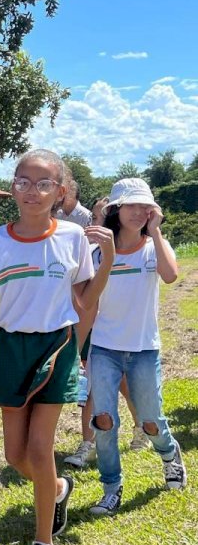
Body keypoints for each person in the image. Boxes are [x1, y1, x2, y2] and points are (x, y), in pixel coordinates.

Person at [0, 149, 115, 545]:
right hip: (11, 349)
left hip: (57, 347)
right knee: (15, 455)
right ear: (12, 186)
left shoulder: (72, 238)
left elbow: (86, 302)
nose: (32, 191)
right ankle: (56, 489)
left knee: (39, 447)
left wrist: (105, 262)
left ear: (60, 191)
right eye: (23, 182)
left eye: (43, 184)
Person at [88, 178, 186, 516]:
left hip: (144, 349)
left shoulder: (154, 247)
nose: (139, 211)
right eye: (131, 205)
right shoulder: (99, 251)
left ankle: (170, 454)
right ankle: (111, 487)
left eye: (145, 206)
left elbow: (170, 275)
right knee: (103, 420)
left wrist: (156, 232)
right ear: (116, 209)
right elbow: (84, 301)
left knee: (150, 420)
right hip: (104, 349)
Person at [64, 198, 142, 468]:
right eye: (92, 220)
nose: (93, 226)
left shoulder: (133, 253)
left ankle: (140, 425)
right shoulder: (90, 255)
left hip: (120, 333)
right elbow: (84, 302)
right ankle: (89, 443)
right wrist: (77, 345)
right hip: (93, 330)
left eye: (98, 220)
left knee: (124, 385)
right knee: (92, 387)